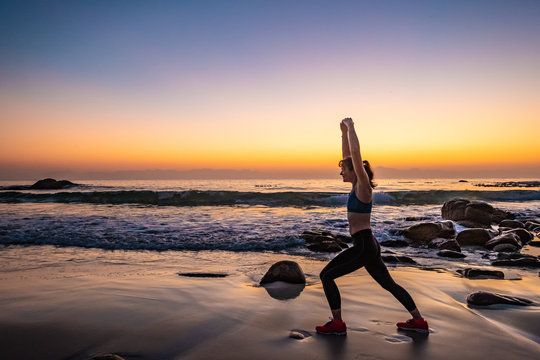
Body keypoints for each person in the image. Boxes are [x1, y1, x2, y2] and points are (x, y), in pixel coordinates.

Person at [315, 117, 429, 335]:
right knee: (389, 284)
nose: (341, 172)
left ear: (355, 172)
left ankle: (337, 324)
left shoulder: (363, 188)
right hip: (368, 244)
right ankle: (419, 321)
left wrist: (351, 127)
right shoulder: (356, 186)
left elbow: (355, 157)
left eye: (344, 170)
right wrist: (342, 133)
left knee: (326, 276)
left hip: (364, 246)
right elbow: (349, 157)